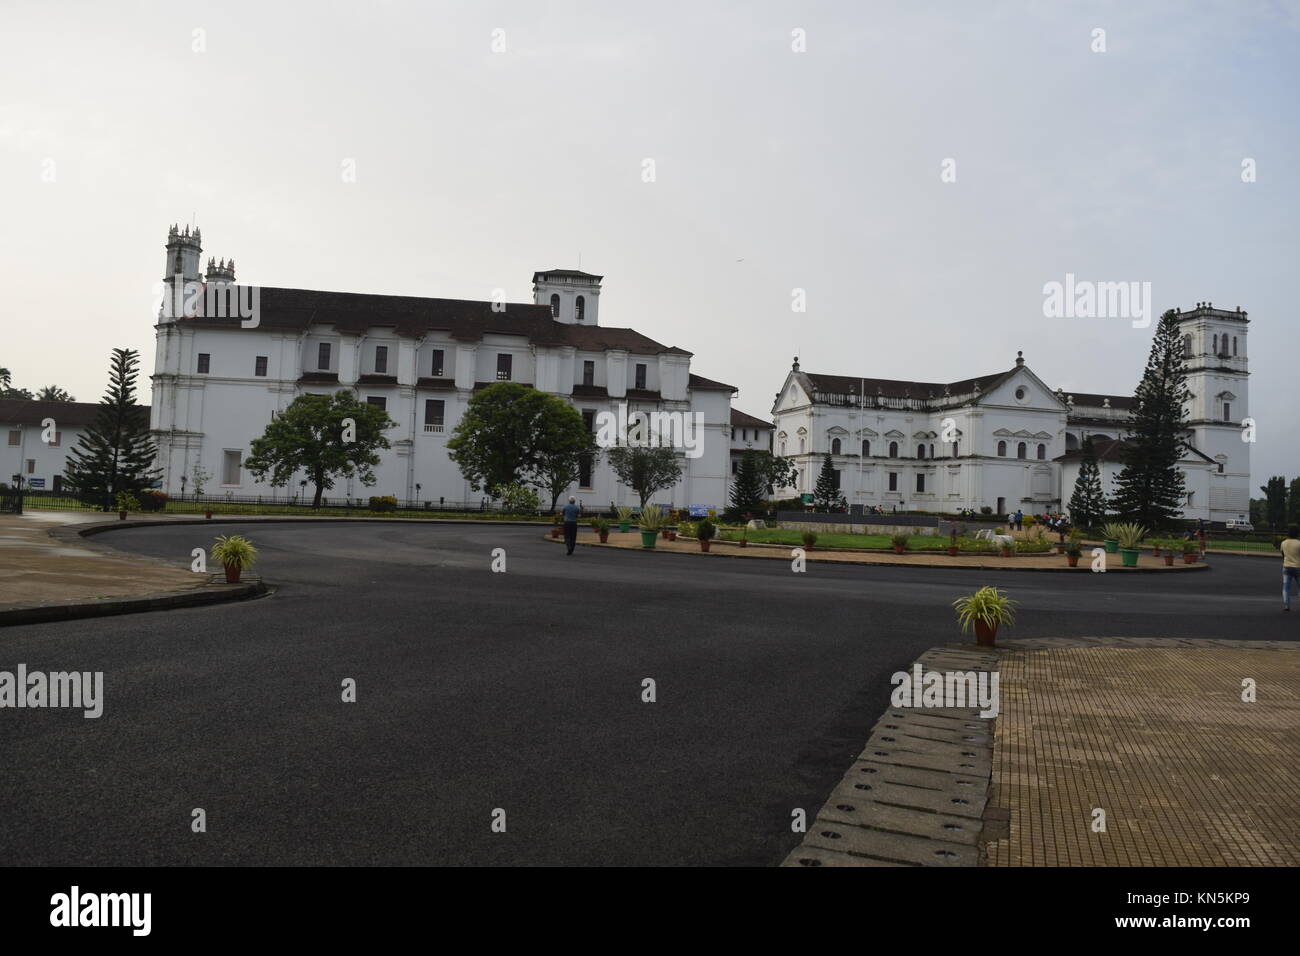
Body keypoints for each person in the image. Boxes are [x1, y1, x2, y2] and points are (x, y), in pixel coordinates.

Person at [1282, 526, 1300, 611]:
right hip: (1298, 567)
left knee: (1286, 587)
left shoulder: (1283, 543)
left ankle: (1287, 605)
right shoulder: (1298, 543)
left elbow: (1283, 555)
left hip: (1286, 566)